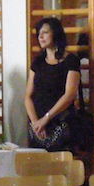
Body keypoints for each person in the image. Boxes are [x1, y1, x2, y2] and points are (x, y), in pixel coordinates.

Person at [24, 17, 82, 152]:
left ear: (55, 34)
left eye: (45, 32)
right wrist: (35, 123)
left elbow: (69, 95)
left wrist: (46, 119)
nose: (40, 37)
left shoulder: (71, 60)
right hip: (37, 124)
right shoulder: (37, 62)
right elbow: (28, 96)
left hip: (61, 121)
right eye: (39, 33)